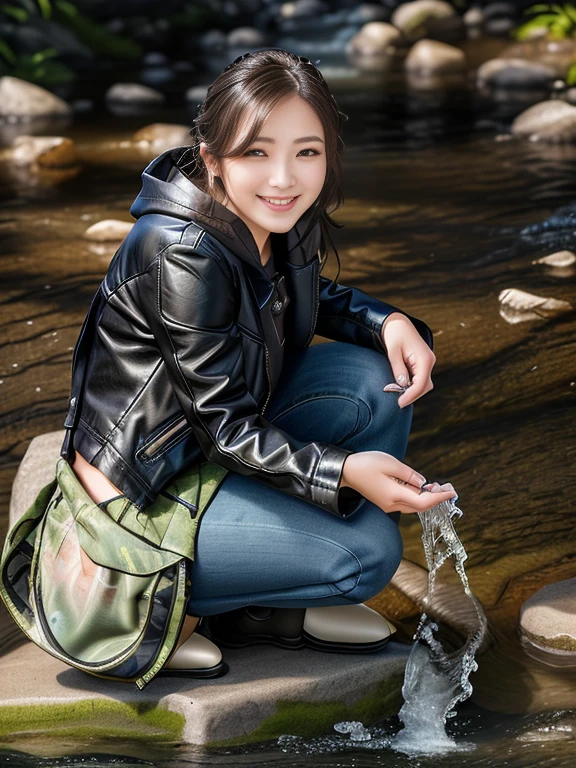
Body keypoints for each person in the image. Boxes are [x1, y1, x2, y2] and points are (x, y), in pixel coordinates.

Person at [65, 48, 457, 679]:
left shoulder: (279, 215)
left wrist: (389, 321)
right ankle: (170, 608)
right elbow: (223, 428)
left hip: (211, 447)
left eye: (307, 152)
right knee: (368, 553)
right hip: (148, 492)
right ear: (213, 157)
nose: (284, 177)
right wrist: (344, 471)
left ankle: (272, 607)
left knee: (373, 382)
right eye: (256, 152)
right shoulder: (180, 252)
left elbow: (304, 293)